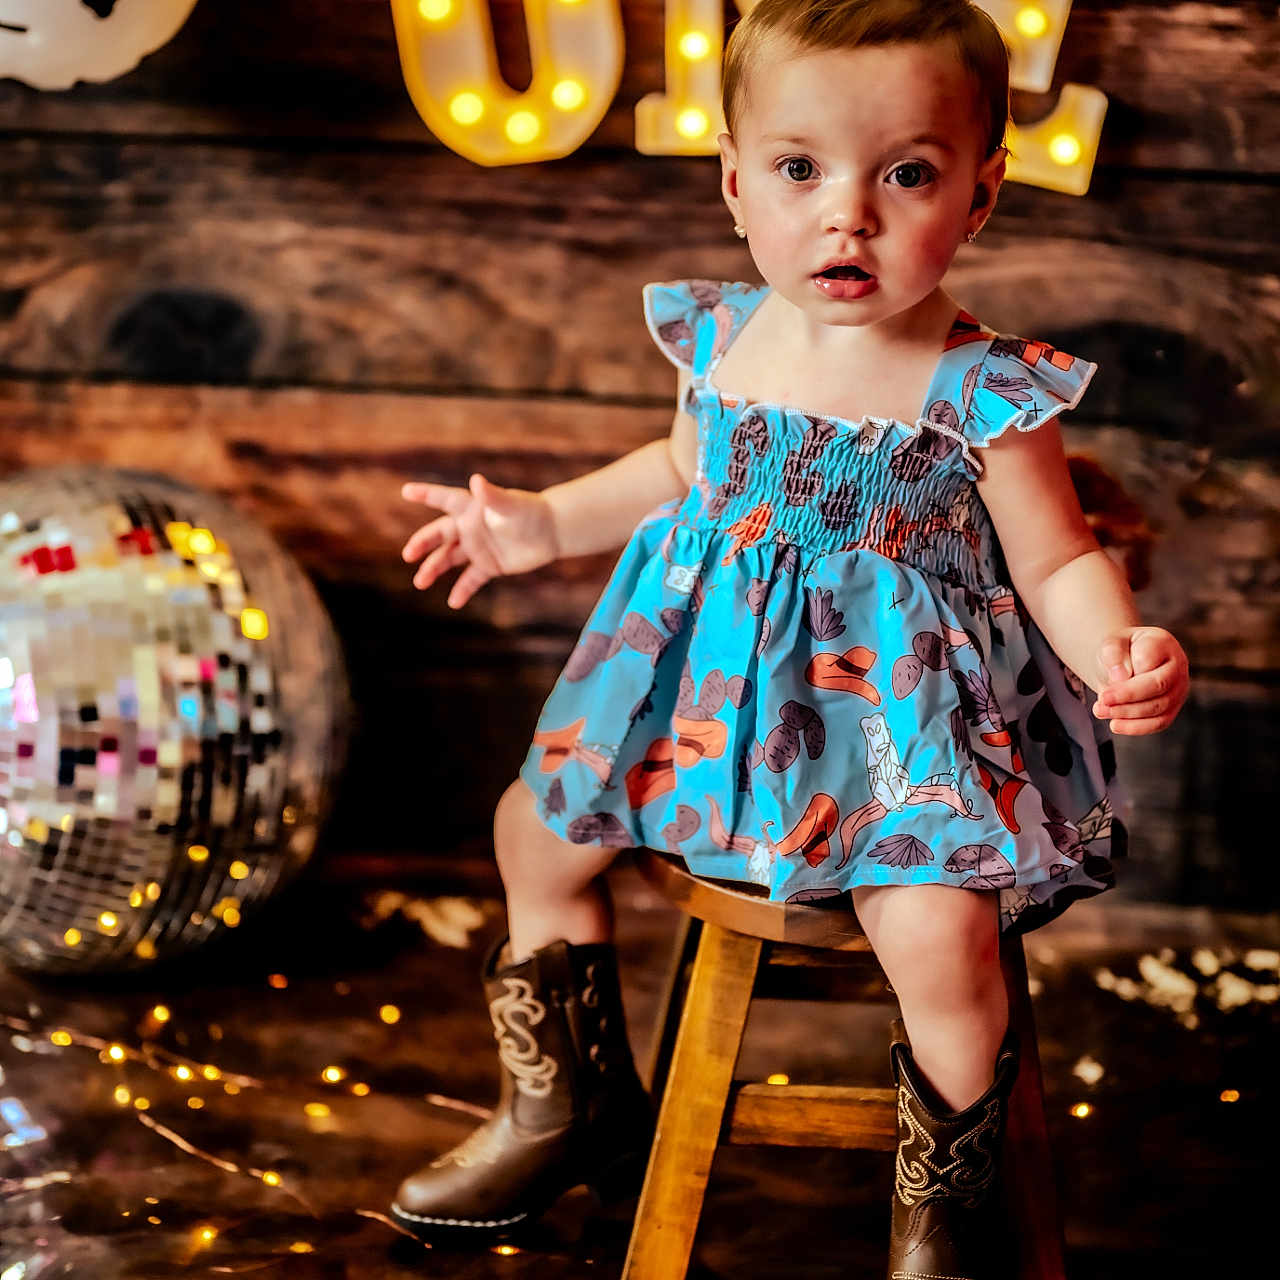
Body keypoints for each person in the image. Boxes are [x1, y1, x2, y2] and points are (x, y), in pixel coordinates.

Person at [390, 0, 1191, 1272]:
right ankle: (565, 1102)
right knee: (529, 830)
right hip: (700, 702)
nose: (847, 215)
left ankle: (942, 1198)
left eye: (906, 174)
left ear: (979, 196)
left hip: (897, 737)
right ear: (733, 182)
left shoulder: (981, 388)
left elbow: (1054, 555)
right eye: (799, 168)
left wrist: (1115, 649)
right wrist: (538, 524)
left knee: (936, 932)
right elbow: (674, 467)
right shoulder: (723, 336)